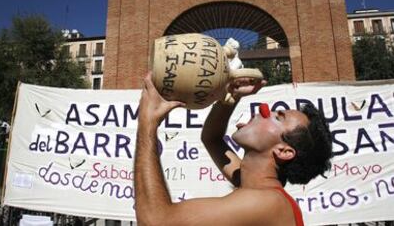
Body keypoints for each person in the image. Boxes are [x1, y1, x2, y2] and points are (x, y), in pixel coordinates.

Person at [134, 72, 333, 226]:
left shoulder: (267, 202)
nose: (264, 110)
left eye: (278, 117)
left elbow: (156, 221)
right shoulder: (254, 186)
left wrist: (147, 124)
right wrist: (230, 98)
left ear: (283, 151)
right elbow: (211, 139)